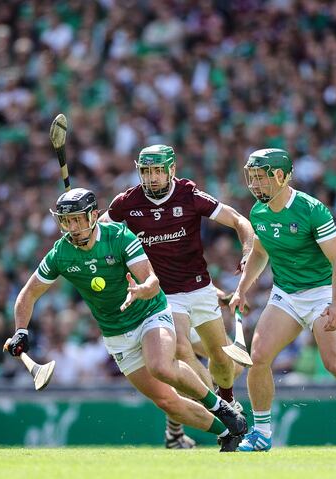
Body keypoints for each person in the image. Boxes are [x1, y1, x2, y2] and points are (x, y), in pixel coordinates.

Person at [5, 188, 247, 451]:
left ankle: (219, 406)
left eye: (77, 219)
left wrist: (144, 290)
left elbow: (152, 282)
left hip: (149, 313)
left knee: (161, 367)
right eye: (67, 221)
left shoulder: (119, 237)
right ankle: (227, 432)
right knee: (168, 402)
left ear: (94, 216)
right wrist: (21, 331)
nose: (72, 227)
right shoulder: (61, 253)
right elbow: (28, 294)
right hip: (116, 333)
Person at [229, 148, 336, 453]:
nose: (254, 185)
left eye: (260, 178)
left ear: (280, 176)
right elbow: (259, 253)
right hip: (285, 295)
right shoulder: (258, 212)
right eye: (251, 178)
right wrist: (242, 289)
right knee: (259, 358)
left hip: (321, 293)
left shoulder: (312, 210)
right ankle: (262, 433)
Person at [103, 144, 253, 448]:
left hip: (199, 288)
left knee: (222, 362)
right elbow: (98, 231)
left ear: (172, 169)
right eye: (147, 171)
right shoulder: (126, 203)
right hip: (162, 295)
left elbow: (238, 219)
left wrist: (248, 249)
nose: (153, 177)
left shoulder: (189, 195)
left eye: (159, 170)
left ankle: (224, 400)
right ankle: (221, 412)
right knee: (181, 351)